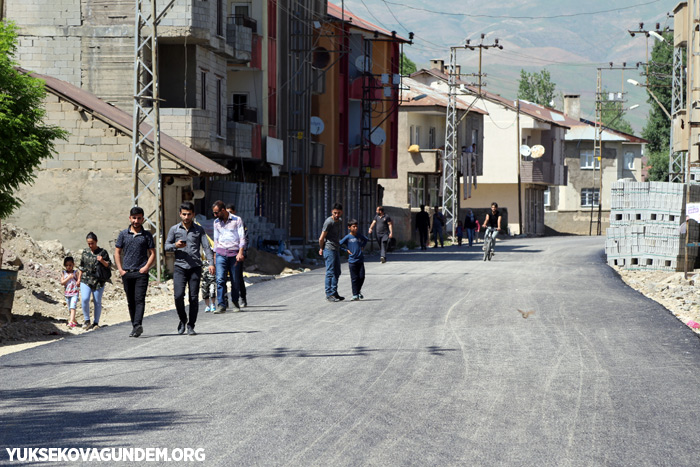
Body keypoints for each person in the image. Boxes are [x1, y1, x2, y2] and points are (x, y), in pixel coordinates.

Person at [165, 201, 214, 336]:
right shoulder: (174, 230)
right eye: (184, 214)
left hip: (195, 267)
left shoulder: (199, 230)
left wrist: (211, 263)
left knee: (193, 298)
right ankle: (182, 319)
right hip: (180, 267)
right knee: (178, 296)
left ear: (193, 214)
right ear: (180, 214)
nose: (186, 217)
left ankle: (191, 325)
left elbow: (206, 247)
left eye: (189, 214)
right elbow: (166, 246)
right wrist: (175, 245)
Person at [114, 206, 156, 338]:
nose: (136, 221)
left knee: (139, 299)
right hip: (127, 272)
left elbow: (153, 253)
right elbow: (117, 252)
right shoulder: (123, 234)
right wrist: (120, 269)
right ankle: (134, 326)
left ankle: (138, 325)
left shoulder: (147, 235)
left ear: (142, 219)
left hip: (141, 273)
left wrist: (146, 268)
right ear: (130, 218)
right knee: (131, 301)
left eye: (139, 218)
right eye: (134, 218)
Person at [212, 200, 246, 313]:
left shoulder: (237, 220)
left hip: (234, 254)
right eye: (214, 213)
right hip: (221, 254)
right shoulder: (216, 222)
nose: (215, 215)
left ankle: (235, 302)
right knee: (220, 279)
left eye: (217, 212)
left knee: (235, 280)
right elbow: (215, 241)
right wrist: (214, 257)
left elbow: (242, 237)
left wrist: (241, 252)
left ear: (223, 210)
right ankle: (221, 305)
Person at [78, 232, 111, 330]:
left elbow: (108, 265)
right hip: (86, 279)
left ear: (96, 242)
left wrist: (102, 261)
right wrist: (79, 278)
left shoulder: (103, 252)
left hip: (98, 281)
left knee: (97, 302)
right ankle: (87, 320)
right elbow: (81, 266)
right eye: (88, 243)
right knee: (84, 299)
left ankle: (96, 323)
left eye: (92, 243)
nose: (90, 245)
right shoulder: (85, 252)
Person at [318, 203, 344, 302]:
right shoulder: (329, 222)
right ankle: (329, 294)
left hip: (336, 249)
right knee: (330, 272)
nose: (337, 215)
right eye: (335, 213)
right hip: (329, 249)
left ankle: (334, 292)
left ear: (341, 212)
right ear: (331, 212)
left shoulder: (339, 221)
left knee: (337, 271)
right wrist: (321, 248)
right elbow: (321, 238)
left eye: (338, 213)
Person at [340, 219, 369, 301]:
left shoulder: (359, 235)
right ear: (349, 227)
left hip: (360, 260)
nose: (356, 228)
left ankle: (358, 291)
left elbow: (366, 239)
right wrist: (346, 250)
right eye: (354, 226)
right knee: (354, 278)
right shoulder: (348, 237)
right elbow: (339, 244)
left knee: (362, 277)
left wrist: (362, 246)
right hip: (352, 261)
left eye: (356, 226)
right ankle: (355, 294)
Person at [227, 204, 249, 307]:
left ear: (234, 212)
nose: (229, 214)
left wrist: (243, 252)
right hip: (225, 254)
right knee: (222, 278)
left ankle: (242, 297)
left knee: (238, 278)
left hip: (237, 254)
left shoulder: (239, 222)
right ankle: (224, 301)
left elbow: (245, 238)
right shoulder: (223, 223)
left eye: (231, 211)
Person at [60, 256, 80, 328]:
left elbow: (78, 281)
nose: (68, 267)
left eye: (70, 265)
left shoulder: (75, 272)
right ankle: (74, 320)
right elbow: (62, 282)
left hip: (74, 293)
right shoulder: (64, 273)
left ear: (73, 265)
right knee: (69, 308)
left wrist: (78, 282)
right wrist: (68, 278)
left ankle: (71, 321)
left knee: (72, 307)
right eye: (67, 265)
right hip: (67, 293)